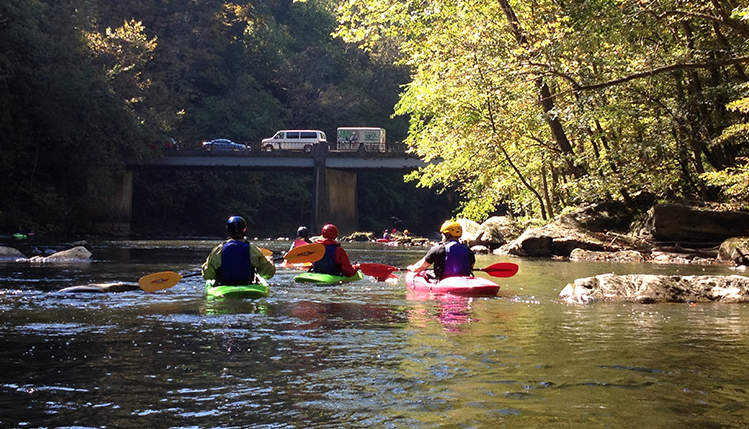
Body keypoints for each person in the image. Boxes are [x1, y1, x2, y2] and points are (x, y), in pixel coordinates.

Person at [202, 216, 275, 285]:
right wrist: (269, 261)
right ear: (244, 229)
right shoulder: (253, 250)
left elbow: (208, 275)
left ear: (228, 230)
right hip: (247, 285)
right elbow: (267, 273)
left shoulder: (218, 250)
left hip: (224, 286)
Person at [407, 220, 475, 280]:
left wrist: (412, 268)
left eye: (442, 234)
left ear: (447, 234)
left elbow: (421, 266)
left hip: (444, 281)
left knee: (423, 273)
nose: (441, 236)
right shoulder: (469, 251)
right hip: (464, 281)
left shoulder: (438, 249)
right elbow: (471, 266)